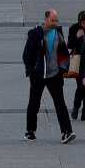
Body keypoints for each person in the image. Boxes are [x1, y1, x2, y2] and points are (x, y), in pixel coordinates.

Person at [23, 10, 75, 143]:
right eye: (53, 20)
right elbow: (27, 54)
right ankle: (30, 131)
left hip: (54, 74)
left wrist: (63, 68)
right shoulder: (35, 33)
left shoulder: (58, 32)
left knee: (60, 103)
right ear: (46, 19)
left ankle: (67, 131)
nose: (55, 23)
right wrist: (32, 70)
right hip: (38, 75)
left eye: (56, 20)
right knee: (34, 103)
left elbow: (63, 51)